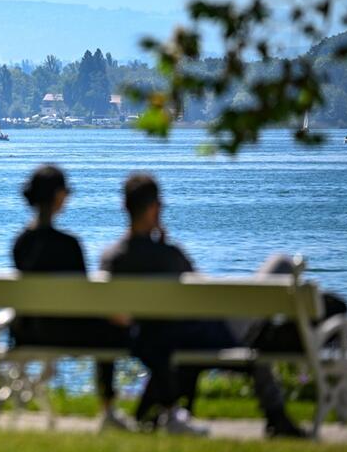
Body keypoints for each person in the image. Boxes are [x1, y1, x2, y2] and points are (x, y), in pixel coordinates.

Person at [100, 173, 306, 437]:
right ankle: (277, 416)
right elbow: (203, 289)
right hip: (214, 334)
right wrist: (163, 244)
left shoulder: (112, 258)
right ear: (154, 209)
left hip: (158, 337)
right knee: (282, 265)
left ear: (125, 208)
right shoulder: (170, 256)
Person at [11, 165, 134, 431]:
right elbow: (84, 300)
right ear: (58, 196)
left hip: (32, 332)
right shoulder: (68, 245)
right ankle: (107, 410)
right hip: (72, 333)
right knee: (116, 330)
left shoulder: (20, 243)